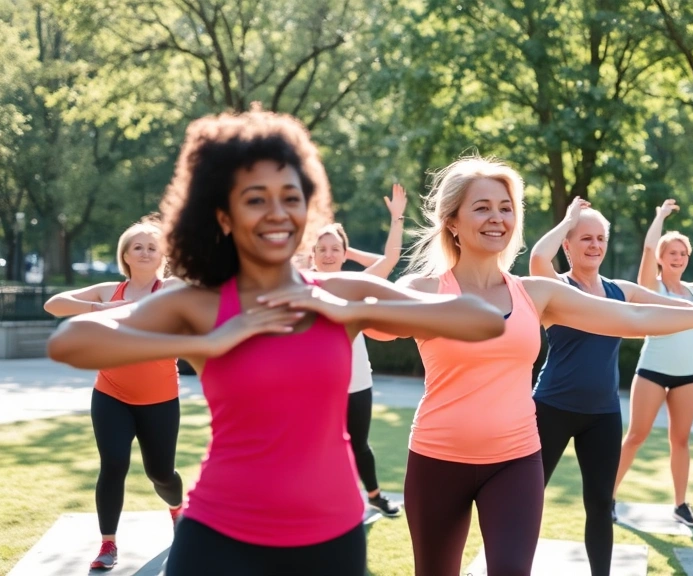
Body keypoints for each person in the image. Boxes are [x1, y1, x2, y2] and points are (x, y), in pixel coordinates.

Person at [46, 109, 506, 576]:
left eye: (291, 197)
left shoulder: (338, 293)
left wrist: (356, 313)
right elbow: (70, 341)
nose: (278, 212)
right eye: (256, 199)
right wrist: (209, 343)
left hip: (331, 536)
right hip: (219, 534)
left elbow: (484, 320)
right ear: (223, 214)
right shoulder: (200, 304)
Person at [391, 156, 693, 576]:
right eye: (481, 207)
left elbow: (633, 318)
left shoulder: (536, 294)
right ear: (452, 220)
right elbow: (372, 324)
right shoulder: (424, 289)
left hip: (515, 461)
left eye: (505, 207)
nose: (497, 217)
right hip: (437, 458)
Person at [528, 197, 693, 575]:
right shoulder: (553, 287)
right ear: (568, 245)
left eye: (600, 239)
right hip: (551, 409)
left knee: (599, 506)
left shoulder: (620, 290)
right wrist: (568, 220)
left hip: (603, 414)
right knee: (529, 499)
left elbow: (667, 306)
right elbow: (536, 258)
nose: (594, 245)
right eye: (585, 238)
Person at [44, 218, 185, 571]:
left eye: (152, 247)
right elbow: (54, 304)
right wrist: (98, 309)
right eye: (137, 246)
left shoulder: (171, 288)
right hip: (111, 395)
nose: (144, 251)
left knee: (161, 474)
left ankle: (179, 512)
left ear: (161, 256)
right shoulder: (109, 291)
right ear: (125, 254)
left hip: (161, 398)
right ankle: (108, 544)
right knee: (114, 465)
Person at [612, 199, 693, 528]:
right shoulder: (650, 286)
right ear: (661, 257)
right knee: (636, 436)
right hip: (652, 372)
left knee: (681, 441)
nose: (679, 258)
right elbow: (646, 248)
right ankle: (607, 496)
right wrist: (660, 215)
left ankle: (681, 504)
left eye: (683, 254)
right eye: (672, 253)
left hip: (688, 376)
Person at [310, 183, 407, 516]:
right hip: (313, 384)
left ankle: (375, 495)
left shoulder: (358, 284)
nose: (328, 254)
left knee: (359, 444)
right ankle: (319, 500)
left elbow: (389, 259)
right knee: (316, 445)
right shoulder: (300, 283)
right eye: (321, 248)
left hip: (356, 381)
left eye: (335, 248)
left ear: (344, 253)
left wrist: (397, 218)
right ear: (312, 254)